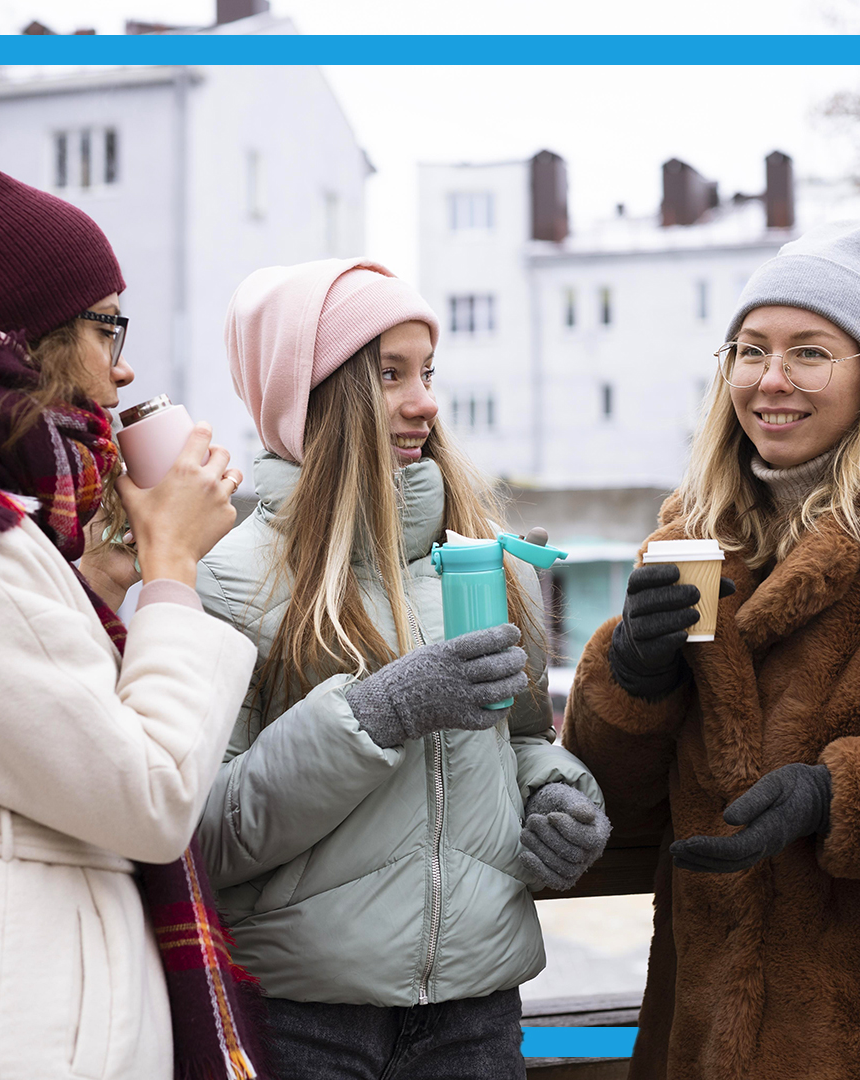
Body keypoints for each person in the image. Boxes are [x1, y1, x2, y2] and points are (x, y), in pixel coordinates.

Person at [0, 134, 262, 1080]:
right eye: (108, 329)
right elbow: (148, 794)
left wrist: (99, 594)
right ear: (30, 334)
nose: (121, 371)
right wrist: (170, 570)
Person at [194, 257, 611, 1080]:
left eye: (426, 372)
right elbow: (205, 832)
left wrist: (561, 797)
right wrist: (376, 713)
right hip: (304, 1022)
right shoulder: (226, 576)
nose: (425, 400)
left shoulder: (488, 566)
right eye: (389, 374)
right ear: (306, 395)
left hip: (478, 1015)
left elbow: (520, 741)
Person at [563, 222, 860, 1080]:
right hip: (700, 1036)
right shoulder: (695, 539)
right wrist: (632, 682)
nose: (771, 381)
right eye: (749, 350)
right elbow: (611, 800)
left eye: (809, 352)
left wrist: (843, 797)